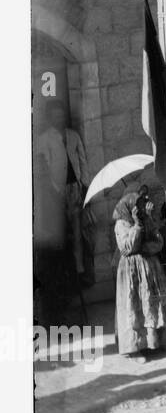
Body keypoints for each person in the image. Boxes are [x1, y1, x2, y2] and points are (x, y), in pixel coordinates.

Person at [35, 99, 91, 284]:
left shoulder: (73, 136)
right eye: (55, 116)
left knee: (77, 232)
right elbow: (42, 166)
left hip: (74, 189)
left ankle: (79, 270)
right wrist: (52, 189)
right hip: (55, 192)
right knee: (60, 234)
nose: (59, 119)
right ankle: (62, 274)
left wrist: (84, 184)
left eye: (61, 116)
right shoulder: (45, 139)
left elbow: (82, 160)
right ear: (50, 118)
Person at [113, 187, 166, 360]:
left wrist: (149, 220)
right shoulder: (121, 224)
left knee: (150, 304)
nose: (139, 209)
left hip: (149, 268)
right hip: (131, 271)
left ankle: (153, 343)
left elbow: (158, 242)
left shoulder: (145, 218)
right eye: (136, 206)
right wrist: (137, 225)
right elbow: (128, 247)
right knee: (134, 306)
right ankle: (134, 349)